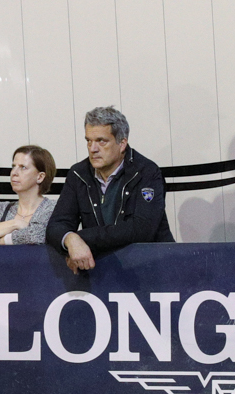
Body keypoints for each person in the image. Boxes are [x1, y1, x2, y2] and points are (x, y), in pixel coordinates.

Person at [45, 106, 173, 272]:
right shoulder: (78, 174)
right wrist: (70, 239)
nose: (93, 149)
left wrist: (80, 237)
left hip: (152, 269)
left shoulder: (147, 172)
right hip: (102, 271)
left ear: (122, 144)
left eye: (101, 141)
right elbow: (56, 225)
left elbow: (141, 229)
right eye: (88, 141)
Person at [0, 145, 56, 246]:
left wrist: (4, 239)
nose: (14, 173)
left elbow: (38, 234)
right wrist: (15, 224)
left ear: (40, 177)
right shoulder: (2, 208)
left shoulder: (53, 208)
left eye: (23, 167)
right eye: (13, 167)